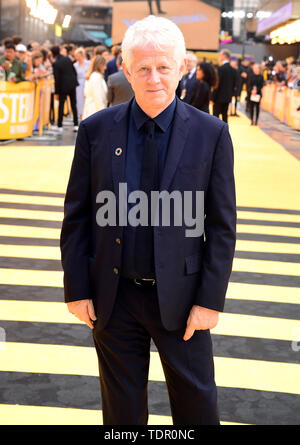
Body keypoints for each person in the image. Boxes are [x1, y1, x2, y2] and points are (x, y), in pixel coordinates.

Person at [61, 15, 236, 425]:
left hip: (184, 299)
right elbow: (77, 216)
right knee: (121, 413)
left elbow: (221, 226)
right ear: (126, 69)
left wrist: (210, 300)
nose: (153, 77)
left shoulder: (212, 134)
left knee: (196, 407)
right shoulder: (96, 130)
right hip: (113, 298)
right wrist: (77, 288)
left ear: (182, 68)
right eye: (143, 68)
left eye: (163, 67)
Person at [50, 45, 79, 132]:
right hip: (72, 84)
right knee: (73, 104)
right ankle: (76, 124)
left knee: (61, 105)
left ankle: (60, 125)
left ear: (52, 54)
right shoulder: (67, 59)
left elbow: (57, 79)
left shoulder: (56, 63)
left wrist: (57, 92)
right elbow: (74, 72)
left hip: (63, 86)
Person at [212, 49, 236, 123]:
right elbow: (235, 85)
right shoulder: (233, 70)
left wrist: (212, 97)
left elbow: (217, 84)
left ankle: (216, 134)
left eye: (220, 55)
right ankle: (224, 133)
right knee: (225, 116)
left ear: (224, 56)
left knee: (215, 118)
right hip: (227, 98)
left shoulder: (220, 69)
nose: (219, 57)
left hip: (218, 97)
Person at [74, 47, 90, 120]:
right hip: (79, 84)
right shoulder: (75, 65)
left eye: (78, 55)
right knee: (80, 101)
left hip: (88, 83)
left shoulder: (88, 63)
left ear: (82, 55)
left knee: (88, 99)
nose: (76, 57)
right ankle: (81, 118)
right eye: (75, 56)